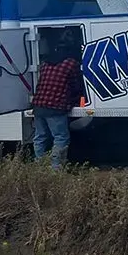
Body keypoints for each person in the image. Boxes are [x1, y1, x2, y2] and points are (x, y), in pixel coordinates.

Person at [30, 40, 82, 169]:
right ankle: (56, 167)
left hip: (38, 105)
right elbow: (76, 84)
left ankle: (39, 165)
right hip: (55, 107)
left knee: (40, 137)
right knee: (60, 137)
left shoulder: (45, 64)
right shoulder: (70, 63)